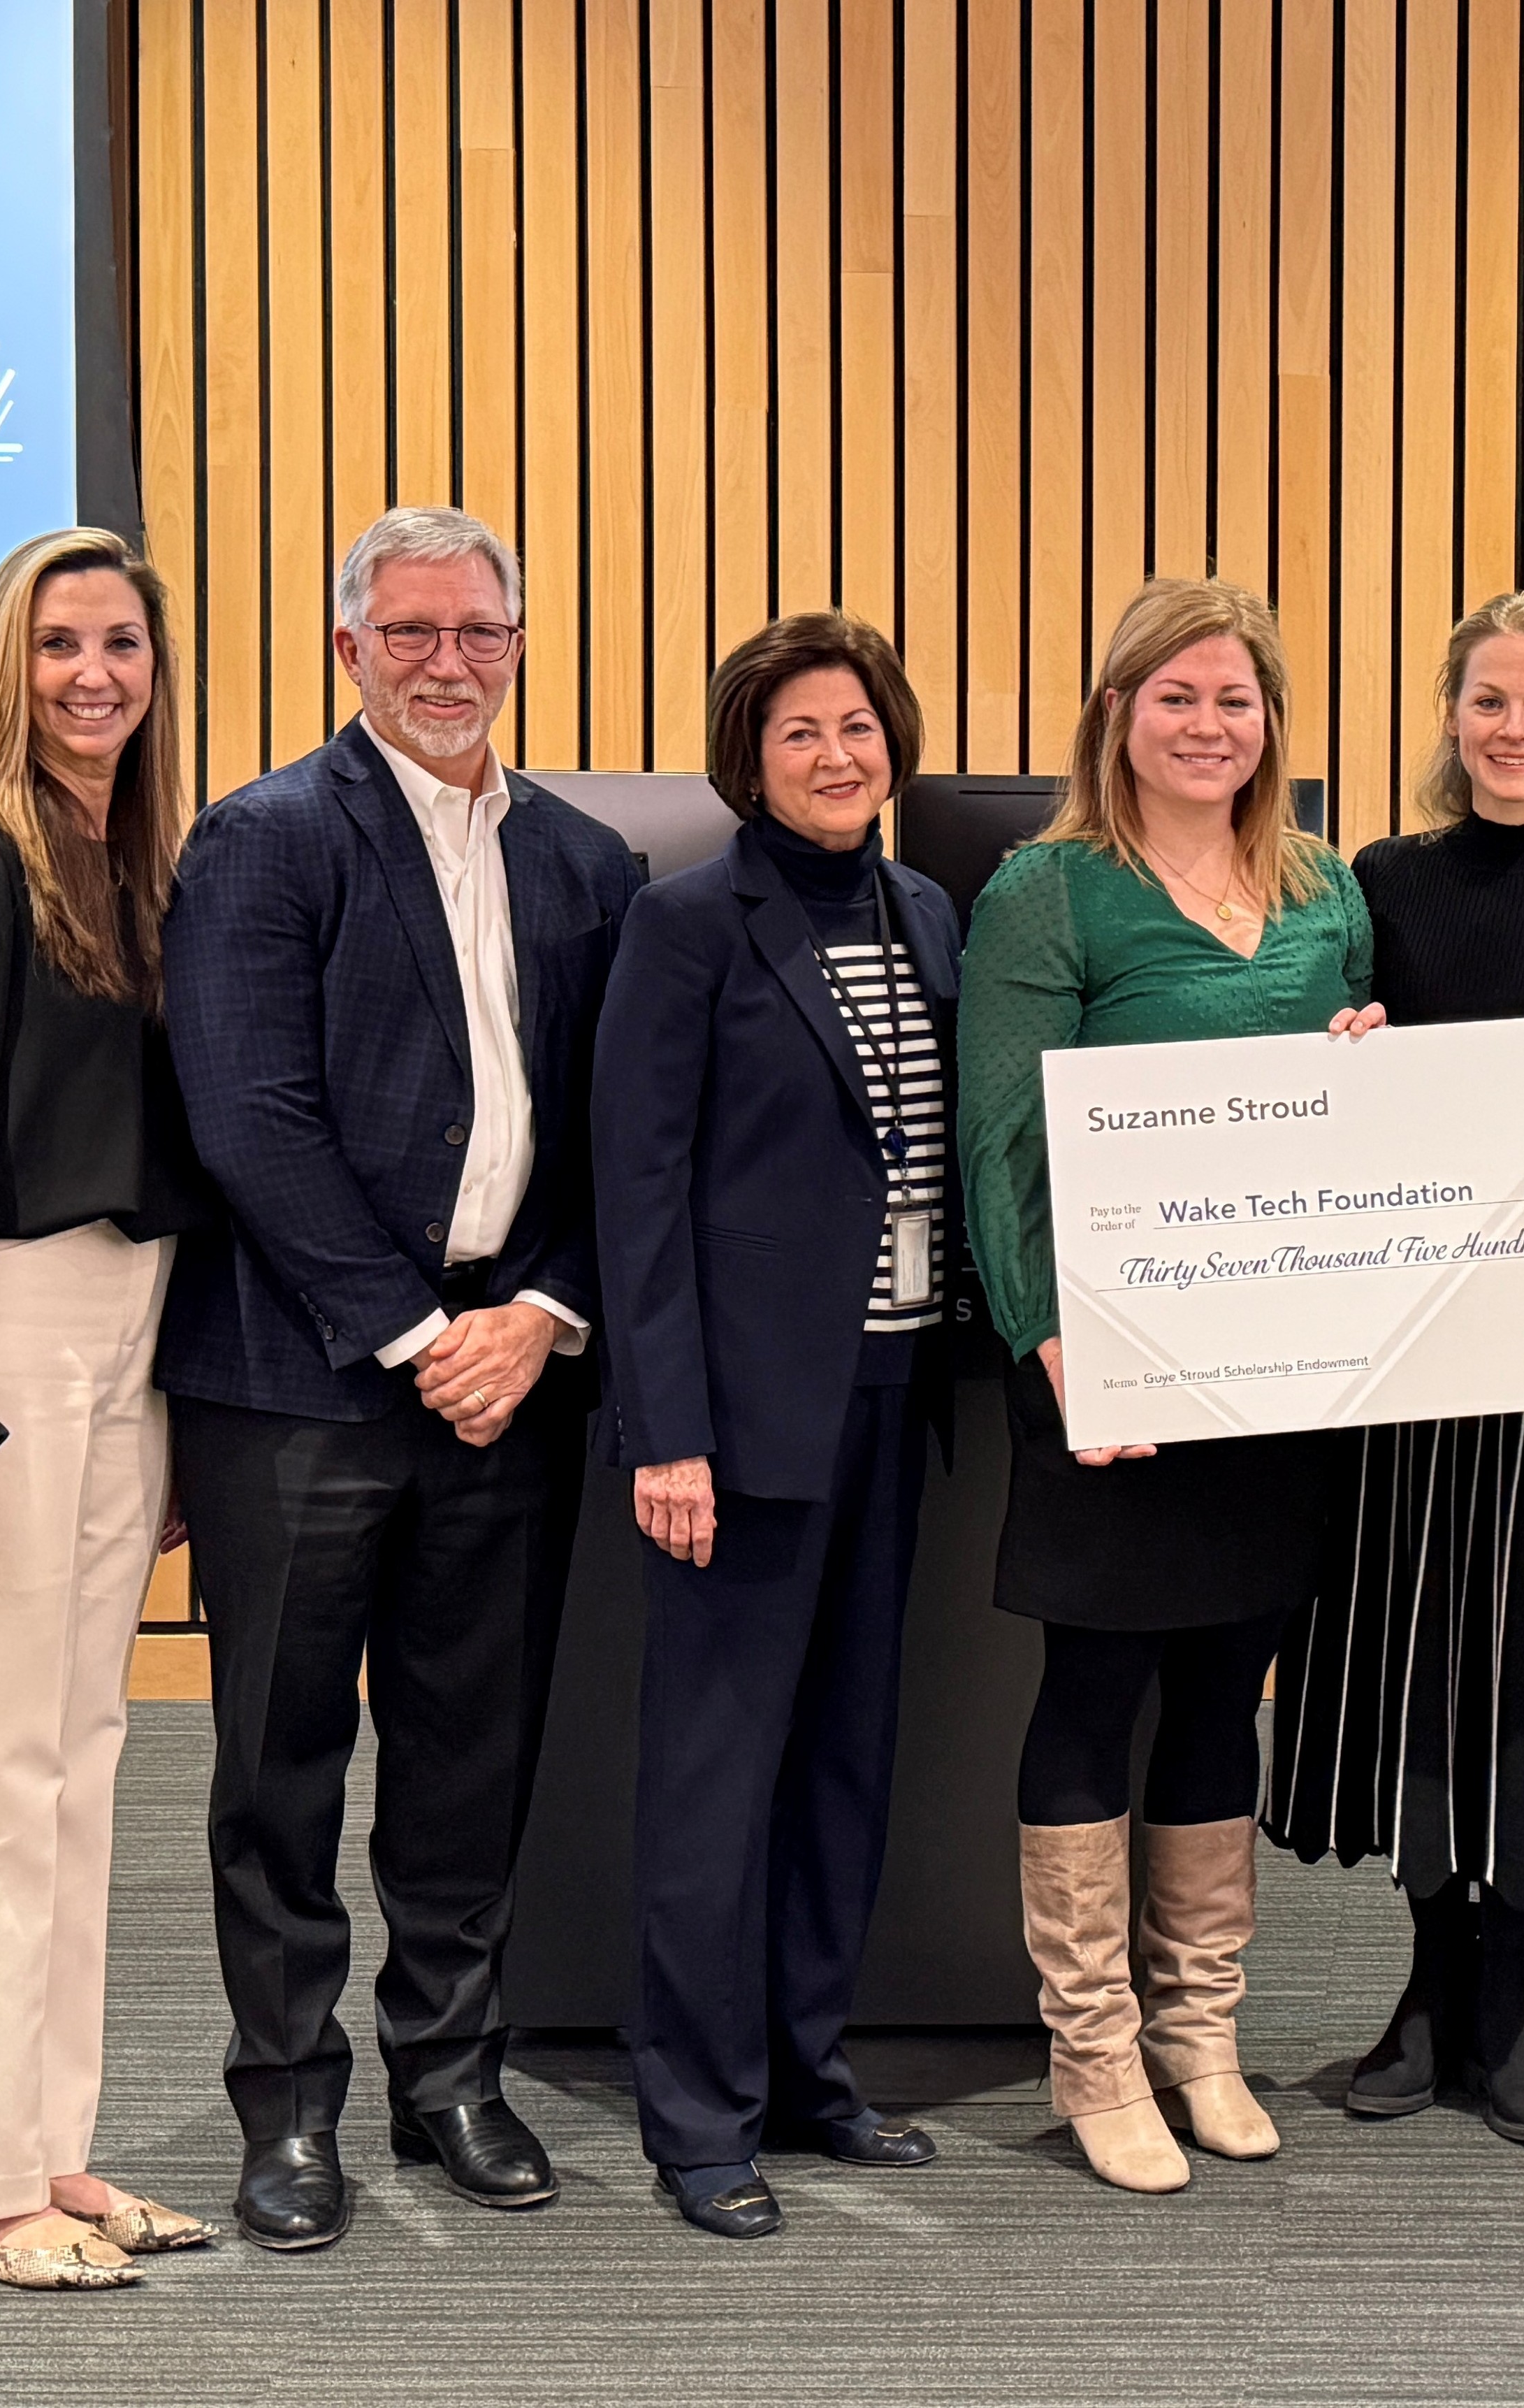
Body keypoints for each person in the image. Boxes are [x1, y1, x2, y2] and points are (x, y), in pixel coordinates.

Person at [158, 506, 644, 2254]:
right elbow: (249, 1120)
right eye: (414, 633)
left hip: (512, 1374)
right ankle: (286, 2108)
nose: (451, 663)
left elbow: (623, 1139)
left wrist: (542, 1314)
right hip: (301, 1382)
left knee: (469, 1753)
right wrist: (420, 1331)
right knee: (280, 1766)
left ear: (519, 643)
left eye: (481, 632)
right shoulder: (263, 841)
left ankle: (450, 2075)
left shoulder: (587, 863)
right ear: (349, 649)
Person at [961, 576, 1374, 2194]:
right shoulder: (1049, 891)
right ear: (1117, 711)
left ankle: (1200, 2029)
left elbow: (1358, 1105)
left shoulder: (1324, 886)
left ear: (1270, 722)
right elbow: (999, 1137)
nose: (1209, 725)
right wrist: (1050, 1343)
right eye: (1176, 696)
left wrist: (1368, 1059)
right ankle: (1093, 2050)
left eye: (1237, 699)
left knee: (1222, 1688)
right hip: (1103, 1358)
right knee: (1094, 1690)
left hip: (1275, 1370)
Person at [1266, 594, 1524, 2148]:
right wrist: (1352, 1044)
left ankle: (1500, 1995)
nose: (1515, 729)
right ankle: (1423, 1985)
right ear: (1449, 716)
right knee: (1415, 1664)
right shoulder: (1380, 882)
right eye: (1488, 701)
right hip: (1412, 1354)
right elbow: (1360, 1092)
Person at [0, 527, 210, 2291]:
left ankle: (47, 2151)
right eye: (63, 644)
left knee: (83, 1762)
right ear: (9, 663)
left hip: (123, 1328)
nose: (97, 675)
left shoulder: (125, 860)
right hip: (0, 1329)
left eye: (125, 646)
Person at [591, 612, 966, 2240]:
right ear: (749, 758)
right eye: (802, 732)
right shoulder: (686, 928)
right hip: (739, 1429)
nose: (838, 756)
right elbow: (639, 1192)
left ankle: (811, 2070)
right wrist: (664, 1429)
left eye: (860, 728)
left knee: (844, 1762)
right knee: (713, 1778)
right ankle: (697, 2112)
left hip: (896, 1395)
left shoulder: (930, 911)